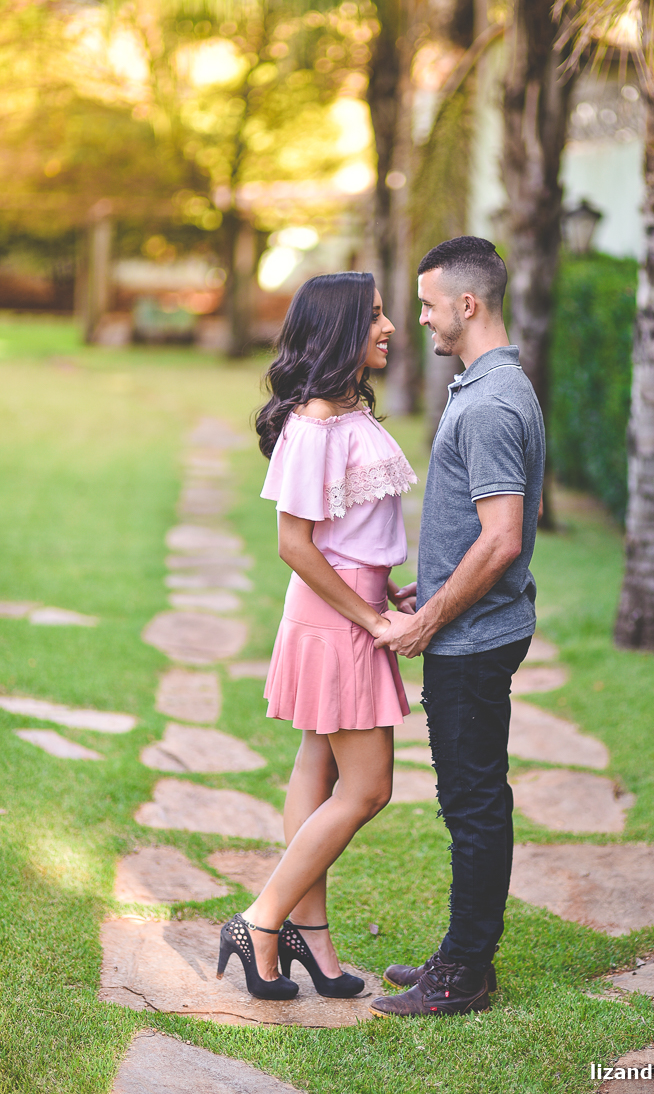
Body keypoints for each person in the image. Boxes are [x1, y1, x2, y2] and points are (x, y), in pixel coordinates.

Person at [216, 271, 417, 1002]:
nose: (388, 326)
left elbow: (346, 533)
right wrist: (371, 617)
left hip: (348, 606)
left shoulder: (347, 411)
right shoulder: (314, 425)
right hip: (337, 621)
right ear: (338, 330)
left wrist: (385, 591)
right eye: (373, 316)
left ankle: (312, 939)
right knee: (369, 788)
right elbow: (294, 544)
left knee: (319, 766)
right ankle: (261, 920)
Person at [369, 236, 545, 1018]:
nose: (419, 318)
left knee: (472, 804)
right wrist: (434, 585)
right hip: (473, 623)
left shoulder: (491, 401)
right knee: (469, 798)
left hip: (472, 639)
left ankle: (464, 973)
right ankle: (458, 955)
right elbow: (495, 525)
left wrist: (430, 618)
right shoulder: (490, 385)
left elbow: (502, 538)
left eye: (428, 304)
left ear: (466, 305)